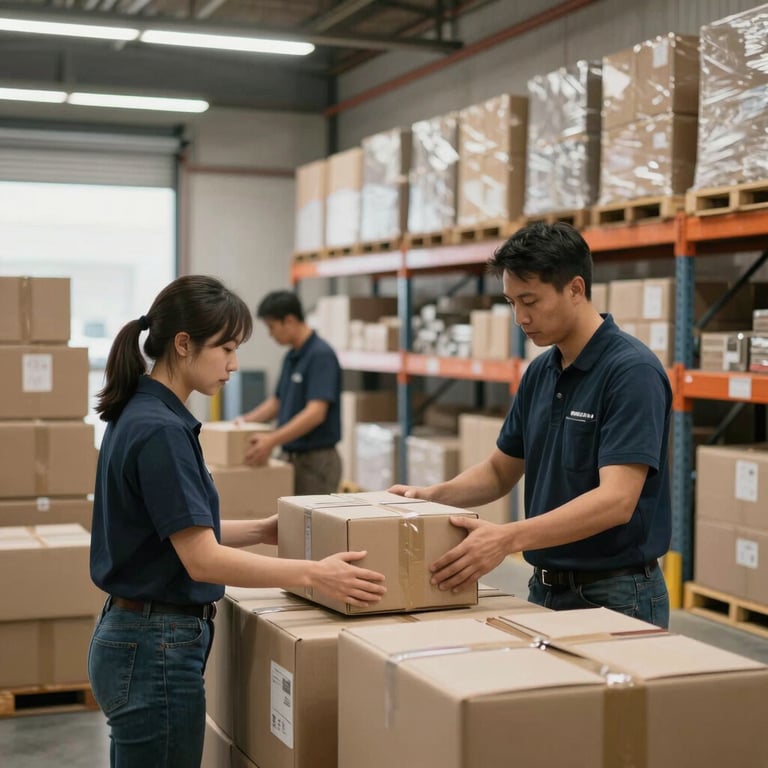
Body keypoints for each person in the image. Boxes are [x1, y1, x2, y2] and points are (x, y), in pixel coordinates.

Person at [88, 275, 386, 768]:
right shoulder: (160, 430)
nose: (234, 364)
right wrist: (316, 574)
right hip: (155, 647)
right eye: (225, 348)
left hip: (139, 638)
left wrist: (263, 530)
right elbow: (202, 560)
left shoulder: (141, 412)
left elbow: (176, 533)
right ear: (183, 345)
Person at [390, 222, 672, 628]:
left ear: (575, 289)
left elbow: (617, 501)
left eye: (530, 300)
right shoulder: (542, 371)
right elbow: (500, 470)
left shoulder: (630, 372)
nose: (520, 317)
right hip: (544, 589)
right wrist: (432, 495)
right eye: (511, 302)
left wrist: (506, 537)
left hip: (616, 594)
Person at [237, 289, 343, 495]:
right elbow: (276, 402)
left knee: (312, 526)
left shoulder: (320, 355)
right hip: (292, 457)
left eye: (272, 327)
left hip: (316, 461)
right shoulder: (292, 357)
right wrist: (243, 421)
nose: (270, 334)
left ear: (290, 321)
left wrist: (272, 439)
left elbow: (316, 413)